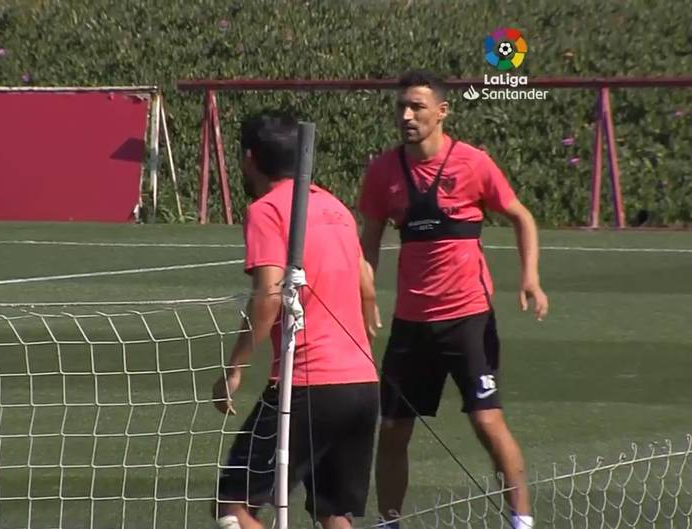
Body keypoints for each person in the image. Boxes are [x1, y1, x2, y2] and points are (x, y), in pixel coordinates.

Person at [358, 70, 549, 529]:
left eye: (417, 107)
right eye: (401, 106)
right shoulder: (383, 171)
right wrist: (364, 296)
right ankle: (388, 523)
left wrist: (530, 278)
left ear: (442, 112)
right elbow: (368, 243)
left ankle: (521, 521)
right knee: (392, 429)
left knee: (487, 423)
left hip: (467, 320)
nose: (406, 115)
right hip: (410, 323)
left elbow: (521, 216)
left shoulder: (473, 163)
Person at [211, 110, 381, 529]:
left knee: (233, 508)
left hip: (309, 386)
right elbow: (365, 277)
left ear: (249, 158)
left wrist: (234, 367)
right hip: (361, 385)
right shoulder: (334, 207)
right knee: (332, 512)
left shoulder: (267, 210)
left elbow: (269, 294)